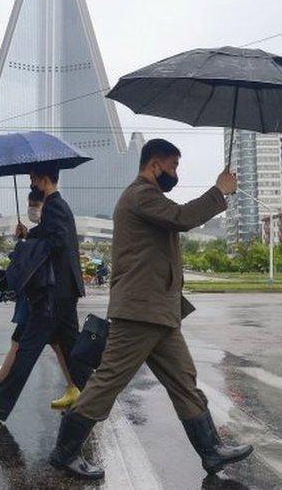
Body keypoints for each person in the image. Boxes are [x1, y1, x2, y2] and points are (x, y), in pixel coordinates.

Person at [48, 139, 252, 480]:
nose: (175, 173)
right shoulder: (139, 195)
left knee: (184, 383)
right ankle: (65, 452)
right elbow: (182, 217)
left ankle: (211, 452)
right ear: (154, 165)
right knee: (107, 383)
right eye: (172, 167)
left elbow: (174, 220)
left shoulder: (150, 197)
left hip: (159, 312)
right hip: (140, 312)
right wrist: (219, 191)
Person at [0, 162, 89, 420]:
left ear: (45, 178)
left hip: (54, 293)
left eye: (33, 179)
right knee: (71, 349)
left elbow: (56, 242)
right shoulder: (59, 205)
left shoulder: (55, 205)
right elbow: (52, 235)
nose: (32, 183)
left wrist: (28, 245)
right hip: (64, 291)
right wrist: (30, 234)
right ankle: (93, 399)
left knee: (28, 347)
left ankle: (0, 403)